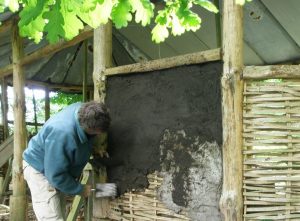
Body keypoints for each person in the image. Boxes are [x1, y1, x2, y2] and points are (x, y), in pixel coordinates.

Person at [22, 101, 111, 221]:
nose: (100, 134)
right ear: (89, 128)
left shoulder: (86, 110)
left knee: (60, 212)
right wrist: (80, 189)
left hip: (56, 165)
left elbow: (82, 140)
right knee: (52, 217)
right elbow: (55, 175)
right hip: (40, 170)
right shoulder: (62, 134)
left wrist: (94, 149)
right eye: (98, 133)